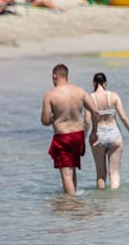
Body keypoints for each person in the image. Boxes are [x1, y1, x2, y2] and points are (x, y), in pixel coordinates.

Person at [41, 64, 99, 195]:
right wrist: (94, 131)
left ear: (54, 76)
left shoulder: (50, 95)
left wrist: (54, 118)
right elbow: (95, 111)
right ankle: (74, 196)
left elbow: (45, 121)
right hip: (78, 135)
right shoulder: (80, 91)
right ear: (67, 76)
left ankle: (72, 204)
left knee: (66, 173)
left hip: (63, 136)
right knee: (72, 169)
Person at [87, 72, 129, 190]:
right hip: (114, 134)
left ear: (93, 83)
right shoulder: (114, 96)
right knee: (114, 173)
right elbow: (123, 116)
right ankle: (115, 203)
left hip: (98, 135)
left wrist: (83, 138)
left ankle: (102, 204)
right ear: (106, 83)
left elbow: (86, 122)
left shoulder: (90, 98)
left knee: (100, 174)